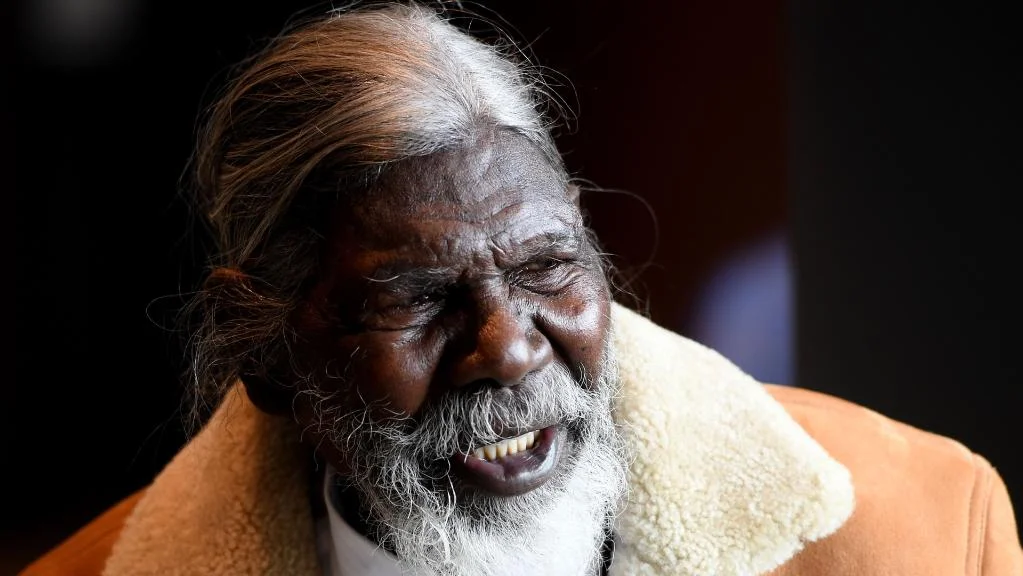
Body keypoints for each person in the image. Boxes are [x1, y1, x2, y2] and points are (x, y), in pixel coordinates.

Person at [22, 3, 1021, 575]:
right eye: (413, 297)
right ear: (274, 354)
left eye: (547, 265)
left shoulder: (921, 534)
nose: (506, 346)